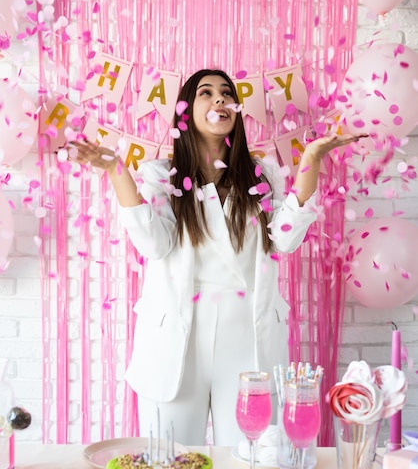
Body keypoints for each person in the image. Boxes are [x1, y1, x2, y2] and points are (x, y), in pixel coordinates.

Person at [72, 68, 363, 446]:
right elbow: (154, 245)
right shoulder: (161, 175)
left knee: (250, 457)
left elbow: (285, 240)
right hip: (178, 335)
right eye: (206, 93)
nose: (219, 100)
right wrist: (115, 169)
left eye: (226, 93)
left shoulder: (263, 173)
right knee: (169, 459)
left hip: (246, 335)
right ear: (186, 110)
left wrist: (311, 157)